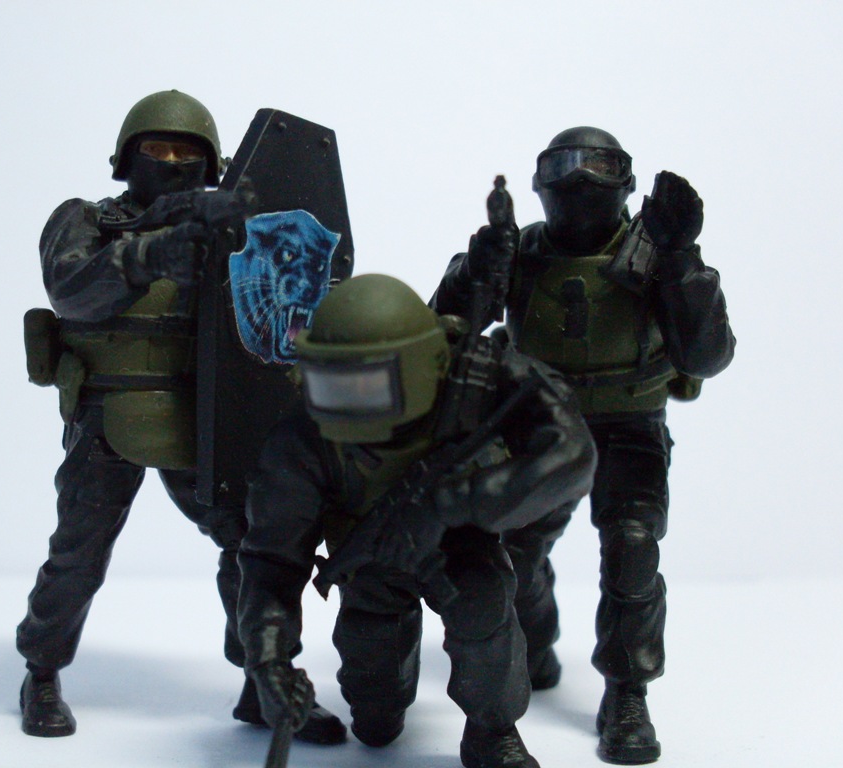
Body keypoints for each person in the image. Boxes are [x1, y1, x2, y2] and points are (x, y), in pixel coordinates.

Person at [17, 90, 343, 744]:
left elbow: (281, 308)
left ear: (214, 166)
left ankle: (265, 676)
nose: (171, 162)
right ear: (125, 158)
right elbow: (71, 291)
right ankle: (42, 670)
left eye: (186, 153)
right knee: (80, 551)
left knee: (252, 546)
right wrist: (151, 252)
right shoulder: (85, 220)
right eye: (157, 149)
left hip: (206, 414)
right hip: (110, 414)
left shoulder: (231, 230)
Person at [431, 127, 735, 763]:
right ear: (540, 185)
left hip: (631, 423)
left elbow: (706, 356)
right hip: (540, 424)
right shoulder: (522, 254)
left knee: (632, 547)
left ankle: (627, 690)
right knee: (512, 555)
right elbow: (446, 330)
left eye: (600, 169)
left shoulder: (654, 257)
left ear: (627, 186)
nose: (580, 183)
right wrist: (477, 267)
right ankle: (533, 642)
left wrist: (682, 261)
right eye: (563, 171)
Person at [238, 274, 596, 768]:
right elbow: (272, 561)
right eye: (331, 384)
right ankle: (383, 705)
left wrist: (455, 504)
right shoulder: (304, 438)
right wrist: (269, 660)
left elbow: (572, 454)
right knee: (375, 719)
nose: (348, 403)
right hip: (371, 560)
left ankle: (492, 730)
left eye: (367, 385)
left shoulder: (479, 381)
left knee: (485, 603)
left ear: (424, 366)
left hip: (460, 539)